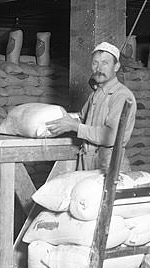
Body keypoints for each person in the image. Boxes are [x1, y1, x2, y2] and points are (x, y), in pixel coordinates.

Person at [46, 41, 136, 171]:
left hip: (108, 164)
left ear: (116, 67)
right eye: (95, 63)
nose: (99, 68)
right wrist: (60, 118)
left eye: (105, 63)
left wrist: (74, 126)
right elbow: (82, 119)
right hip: (88, 160)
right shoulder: (96, 94)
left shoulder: (121, 96)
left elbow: (110, 136)